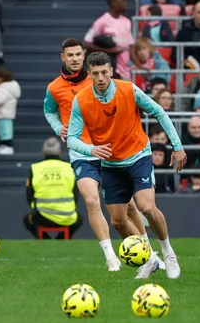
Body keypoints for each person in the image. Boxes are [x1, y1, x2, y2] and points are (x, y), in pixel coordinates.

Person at [67, 52, 186, 280]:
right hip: (111, 164)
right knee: (118, 221)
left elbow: (159, 112)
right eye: (95, 73)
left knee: (147, 207)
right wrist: (90, 150)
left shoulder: (128, 90)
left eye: (104, 72)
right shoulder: (81, 100)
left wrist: (177, 146)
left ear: (111, 71)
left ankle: (169, 253)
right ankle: (150, 259)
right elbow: (72, 137)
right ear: (89, 75)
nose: (100, 77)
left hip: (138, 156)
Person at [42, 38, 147, 270]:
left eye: (78, 54)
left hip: (109, 149)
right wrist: (58, 127)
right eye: (70, 55)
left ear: (84, 55)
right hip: (81, 151)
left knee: (128, 205)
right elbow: (48, 110)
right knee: (91, 200)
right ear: (63, 57)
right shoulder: (54, 88)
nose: (75, 59)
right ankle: (110, 256)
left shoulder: (101, 80)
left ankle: (147, 251)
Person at [24, 136, 83, 238]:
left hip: (42, 216)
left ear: (43, 151)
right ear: (60, 152)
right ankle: (60, 240)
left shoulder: (35, 168)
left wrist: (36, 208)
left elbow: (29, 196)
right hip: (67, 216)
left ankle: (46, 241)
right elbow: (76, 195)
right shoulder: (69, 168)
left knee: (27, 219)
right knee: (79, 219)